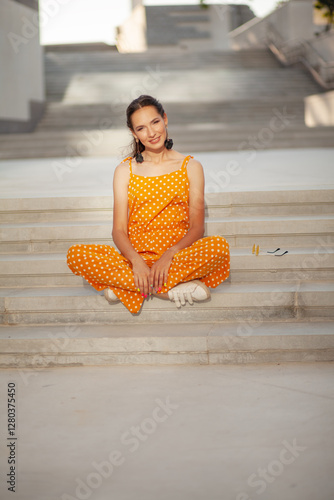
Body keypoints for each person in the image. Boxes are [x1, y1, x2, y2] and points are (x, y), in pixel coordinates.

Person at [67, 95, 230, 313]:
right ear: (134, 133)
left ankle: (126, 287)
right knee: (76, 255)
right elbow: (118, 230)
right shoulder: (125, 170)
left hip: (176, 259)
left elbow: (197, 228)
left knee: (218, 247)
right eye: (141, 128)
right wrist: (137, 262)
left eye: (155, 122)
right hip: (134, 261)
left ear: (165, 119)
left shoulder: (191, 166)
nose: (151, 133)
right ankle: (167, 290)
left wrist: (169, 255)